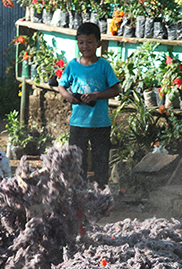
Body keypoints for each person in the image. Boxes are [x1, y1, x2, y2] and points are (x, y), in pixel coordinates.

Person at [58, 21, 120, 187]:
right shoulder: (72, 65)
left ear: (99, 43)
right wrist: (69, 96)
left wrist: (96, 95)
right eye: (81, 42)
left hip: (101, 123)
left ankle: (101, 195)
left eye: (89, 42)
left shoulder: (104, 66)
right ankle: (79, 195)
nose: (85, 46)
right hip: (78, 124)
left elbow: (116, 89)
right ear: (77, 43)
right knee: (78, 163)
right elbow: (61, 86)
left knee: (101, 161)